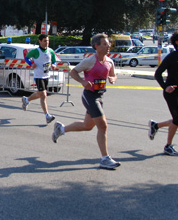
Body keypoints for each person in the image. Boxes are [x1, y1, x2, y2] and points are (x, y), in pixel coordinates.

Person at [52, 33, 120, 170]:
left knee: (88, 126)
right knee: (103, 126)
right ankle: (105, 158)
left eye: (108, 44)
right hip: (89, 96)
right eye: (105, 44)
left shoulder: (109, 61)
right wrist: (83, 81)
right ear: (96, 46)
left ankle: (61, 129)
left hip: (100, 96)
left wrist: (113, 79)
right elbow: (73, 72)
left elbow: (113, 74)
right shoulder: (90, 61)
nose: (108, 46)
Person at [148, 30, 178, 156]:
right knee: (177, 119)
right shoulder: (172, 57)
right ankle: (168, 146)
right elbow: (158, 74)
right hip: (171, 93)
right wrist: (165, 87)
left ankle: (156, 126)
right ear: (177, 42)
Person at [21, 34, 57, 124]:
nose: (47, 43)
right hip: (38, 75)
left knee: (40, 94)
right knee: (43, 95)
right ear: (40, 41)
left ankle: (26, 100)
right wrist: (31, 64)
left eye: (48, 41)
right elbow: (26, 57)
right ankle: (47, 115)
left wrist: (54, 65)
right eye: (45, 41)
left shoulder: (50, 51)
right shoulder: (36, 51)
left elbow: (54, 60)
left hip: (46, 75)